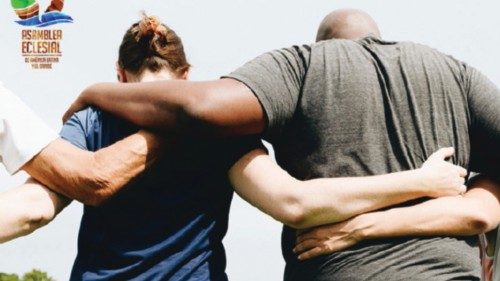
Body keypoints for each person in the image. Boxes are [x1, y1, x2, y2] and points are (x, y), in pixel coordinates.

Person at [1, 14, 471, 281]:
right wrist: (420, 181)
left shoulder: (90, 121)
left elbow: (33, 208)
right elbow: (295, 203)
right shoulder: (219, 135)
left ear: (120, 76)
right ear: (187, 76)